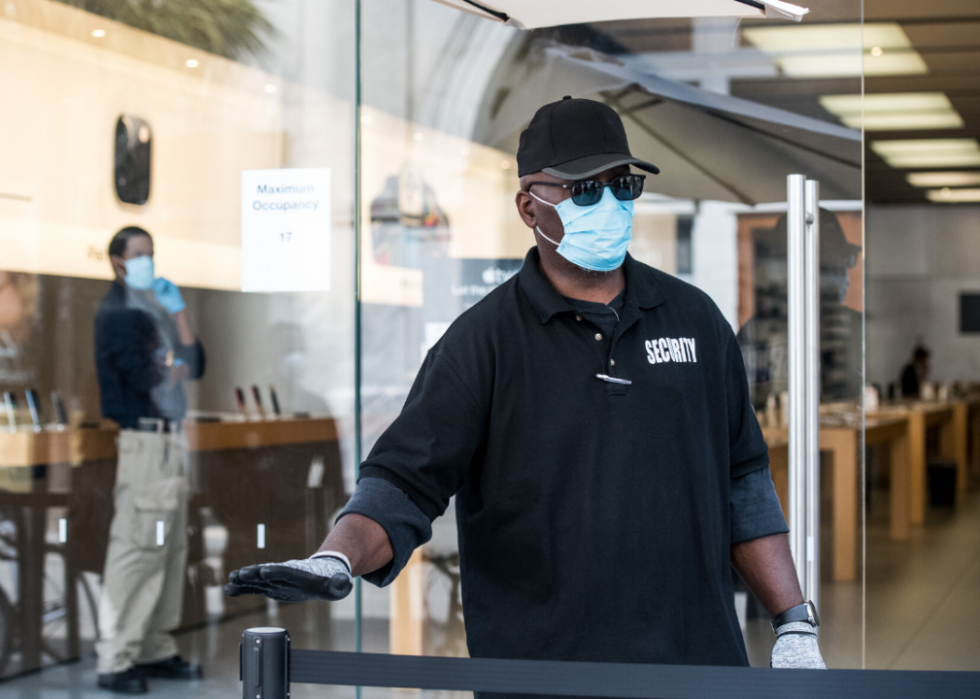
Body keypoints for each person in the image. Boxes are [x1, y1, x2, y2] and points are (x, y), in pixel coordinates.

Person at [226, 97, 826, 676]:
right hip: (543, 675)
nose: (609, 204)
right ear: (528, 207)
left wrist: (793, 622)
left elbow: (744, 482)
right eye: (584, 189)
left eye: (623, 185)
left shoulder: (695, 320)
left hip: (695, 669)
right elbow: (403, 484)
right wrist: (337, 556)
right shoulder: (481, 343)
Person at [94, 227, 206, 694]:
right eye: (139, 253)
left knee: (169, 546)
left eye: (152, 252)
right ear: (118, 261)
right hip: (144, 443)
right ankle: (115, 657)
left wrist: (178, 312)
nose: (149, 261)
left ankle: (154, 647)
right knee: (138, 547)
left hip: (169, 441)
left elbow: (195, 364)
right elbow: (151, 378)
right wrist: (173, 368)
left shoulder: (153, 308)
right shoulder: (118, 313)